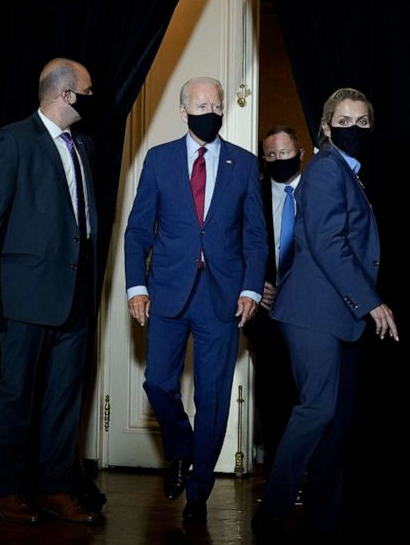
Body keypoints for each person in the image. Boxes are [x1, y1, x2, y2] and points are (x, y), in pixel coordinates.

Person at [252, 88, 398, 538]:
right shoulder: (325, 171)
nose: (354, 129)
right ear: (326, 127)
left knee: (338, 420)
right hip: (313, 311)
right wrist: (372, 301)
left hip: (339, 316)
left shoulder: (347, 174)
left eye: (363, 122)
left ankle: (323, 517)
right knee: (318, 410)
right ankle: (273, 508)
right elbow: (328, 243)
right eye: (344, 121)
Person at [124, 76, 268, 524]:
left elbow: (256, 238)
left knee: (213, 398)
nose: (210, 110)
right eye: (201, 104)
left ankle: (199, 495)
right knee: (158, 384)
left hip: (221, 297)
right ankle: (182, 449)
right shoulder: (159, 159)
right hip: (167, 292)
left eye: (216, 104)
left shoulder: (243, 164)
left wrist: (249, 289)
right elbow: (137, 231)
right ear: (183, 111)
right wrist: (136, 287)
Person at [0, 58, 102, 525]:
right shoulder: (13, 140)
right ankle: (6, 490)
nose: (91, 96)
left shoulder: (82, 145)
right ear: (66, 94)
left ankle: (55, 489)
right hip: (24, 296)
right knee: (17, 396)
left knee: (64, 399)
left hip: (75, 297)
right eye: (86, 90)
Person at [243, 125, 306, 470]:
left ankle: (306, 468)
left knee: (304, 393)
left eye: (285, 153)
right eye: (272, 155)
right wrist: (255, 284)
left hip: (308, 313)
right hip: (266, 314)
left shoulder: (316, 193)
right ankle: (279, 470)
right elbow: (239, 245)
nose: (279, 160)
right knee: (271, 393)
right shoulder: (255, 193)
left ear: (300, 154)